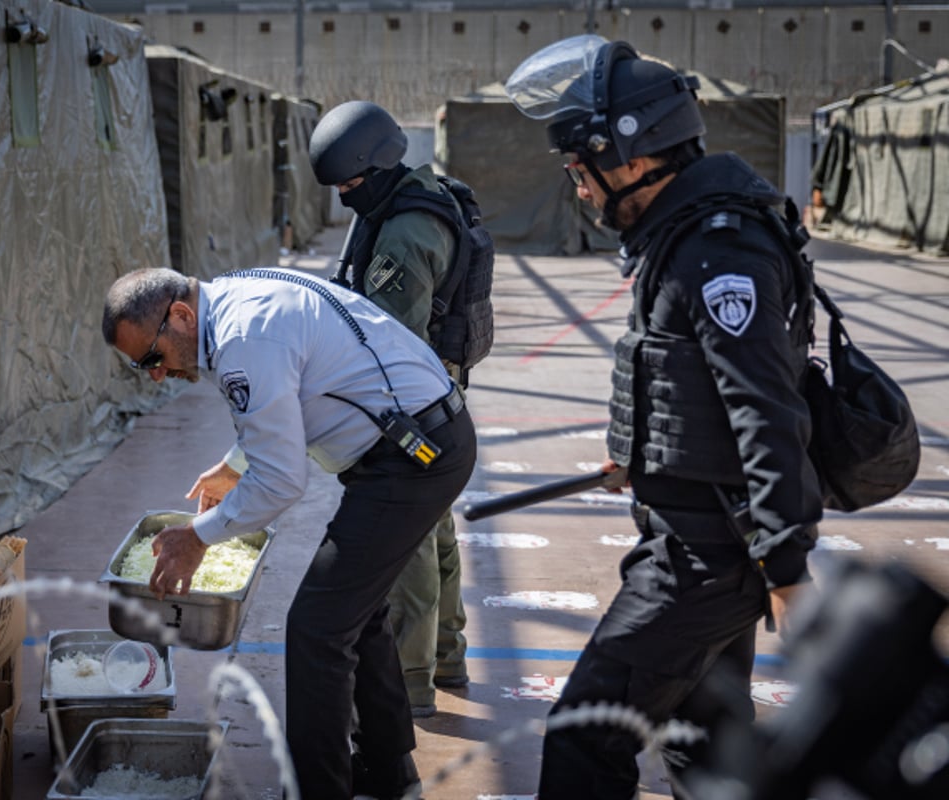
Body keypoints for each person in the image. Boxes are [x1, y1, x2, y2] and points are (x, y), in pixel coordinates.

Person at [505, 35, 823, 798]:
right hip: (702, 533)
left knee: (585, 736)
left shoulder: (719, 251)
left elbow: (765, 406)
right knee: (703, 742)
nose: (578, 189)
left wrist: (785, 564)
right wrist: (645, 457)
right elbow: (694, 382)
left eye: (580, 170)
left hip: (707, 555)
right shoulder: (689, 237)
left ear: (633, 157)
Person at [101, 266, 477, 800]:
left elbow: (280, 482)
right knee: (354, 611)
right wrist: (235, 464)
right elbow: (286, 396)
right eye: (143, 367)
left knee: (316, 628)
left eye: (152, 358)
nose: (156, 374)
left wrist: (197, 537)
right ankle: (389, 771)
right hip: (415, 440)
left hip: (415, 458)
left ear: (180, 316)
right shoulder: (234, 300)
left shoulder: (241, 340)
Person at [307, 100, 474, 717]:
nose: (348, 196)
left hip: (410, 409)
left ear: (377, 165)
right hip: (439, 395)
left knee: (407, 542)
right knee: (439, 528)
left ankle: (409, 683)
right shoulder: (410, 196)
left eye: (352, 183)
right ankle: (449, 657)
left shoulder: (403, 236)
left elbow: (386, 344)